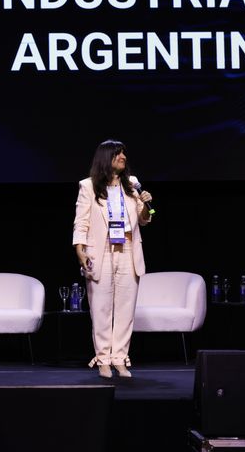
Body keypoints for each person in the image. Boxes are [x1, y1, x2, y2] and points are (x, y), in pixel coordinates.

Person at [73, 140, 153, 378]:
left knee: (126, 307)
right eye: (118, 154)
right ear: (106, 158)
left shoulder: (131, 185)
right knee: (101, 306)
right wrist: (80, 248)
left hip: (128, 248)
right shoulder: (88, 186)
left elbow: (146, 219)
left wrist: (148, 206)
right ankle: (103, 359)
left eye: (124, 155)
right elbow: (81, 221)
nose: (123, 158)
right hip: (102, 249)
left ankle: (120, 357)